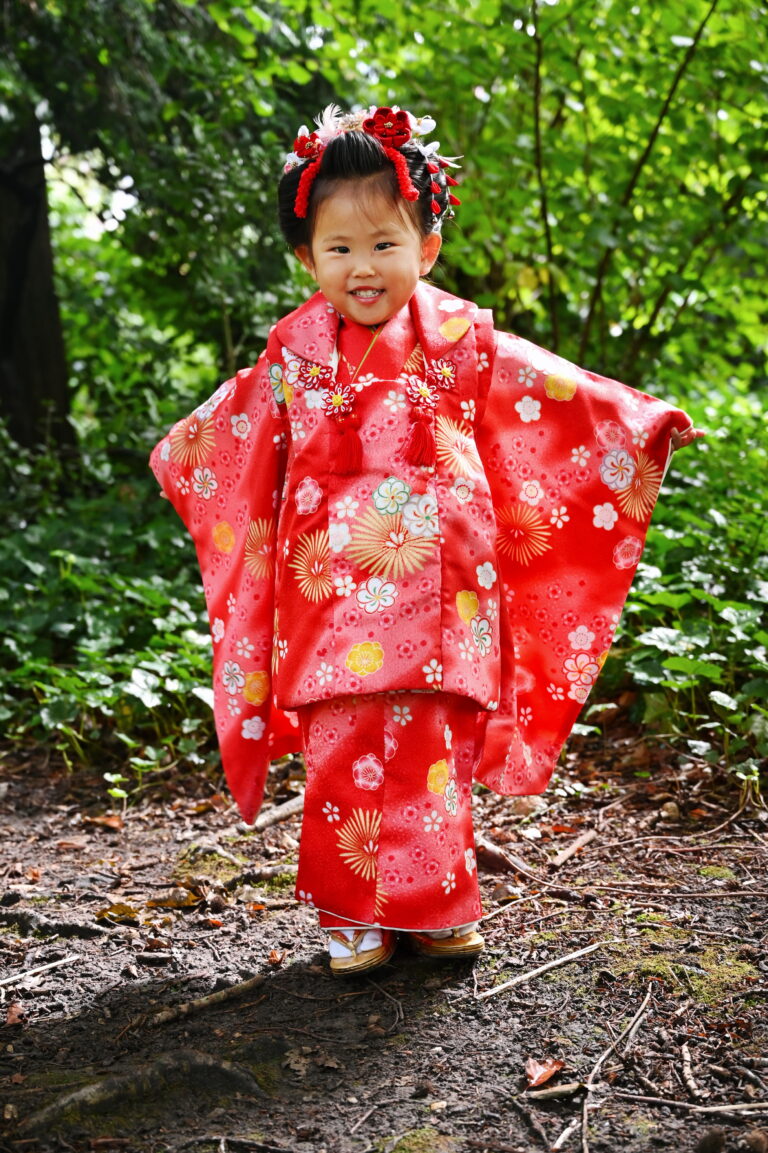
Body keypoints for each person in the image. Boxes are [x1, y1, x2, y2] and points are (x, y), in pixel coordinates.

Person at [150, 104, 698, 976]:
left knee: (434, 747)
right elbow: (235, 436)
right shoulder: (291, 356)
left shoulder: (462, 341)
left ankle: (438, 900)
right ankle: (349, 908)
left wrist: (638, 419)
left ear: (426, 248)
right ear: (306, 259)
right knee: (341, 745)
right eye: (339, 249)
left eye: (383, 244)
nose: (363, 268)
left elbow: (551, 395)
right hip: (330, 584)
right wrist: (186, 451)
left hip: (443, 581)